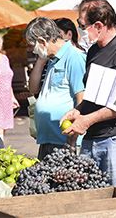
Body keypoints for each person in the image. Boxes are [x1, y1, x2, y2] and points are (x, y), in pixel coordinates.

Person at [61, 0, 116, 191]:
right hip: (93, 138)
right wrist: (78, 111)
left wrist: (87, 120)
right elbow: (93, 95)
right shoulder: (94, 51)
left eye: (82, 25)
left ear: (98, 25)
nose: (80, 30)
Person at [25, 17, 86, 160]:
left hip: (65, 141)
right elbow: (33, 89)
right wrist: (41, 60)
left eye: (33, 46)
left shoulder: (74, 57)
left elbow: (81, 99)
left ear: (42, 42)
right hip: (49, 139)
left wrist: (73, 137)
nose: (34, 51)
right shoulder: (53, 58)